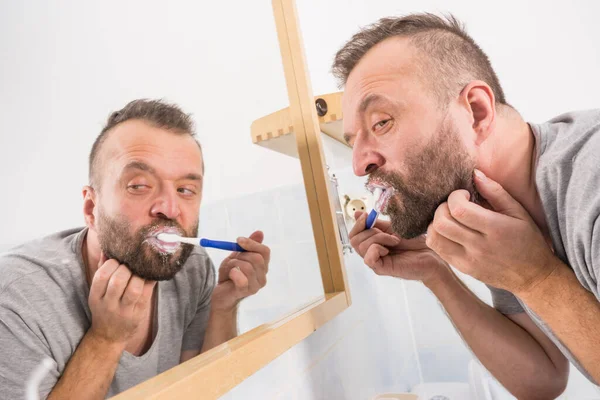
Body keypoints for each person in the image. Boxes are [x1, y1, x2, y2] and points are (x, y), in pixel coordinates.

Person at [334, 13, 600, 399]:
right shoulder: (488, 202)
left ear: (475, 111)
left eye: (382, 122)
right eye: (352, 141)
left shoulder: (591, 176)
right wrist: (436, 273)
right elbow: (541, 378)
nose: (359, 164)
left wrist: (536, 277)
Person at [0, 99, 270, 399]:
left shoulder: (193, 268)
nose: (170, 208)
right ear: (91, 208)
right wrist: (106, 338)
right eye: (139, 185)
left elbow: (200, 391)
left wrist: (224, 307)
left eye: (185, 190)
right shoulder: (17, 300)